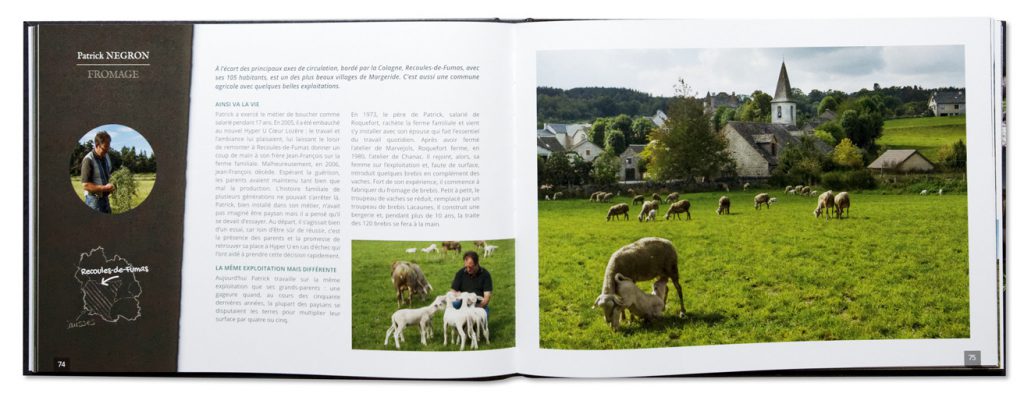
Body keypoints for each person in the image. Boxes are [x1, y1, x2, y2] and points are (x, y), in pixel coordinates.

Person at [80, 131, 116, 213]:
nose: (107, 151)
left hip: (105, 199)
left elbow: (110, 173)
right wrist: (105, 188)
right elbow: (86, 185)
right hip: (94, 201)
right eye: (105, 147)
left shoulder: (106, 156)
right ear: (97, 145)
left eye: (108, 147)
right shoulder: (88, 160)